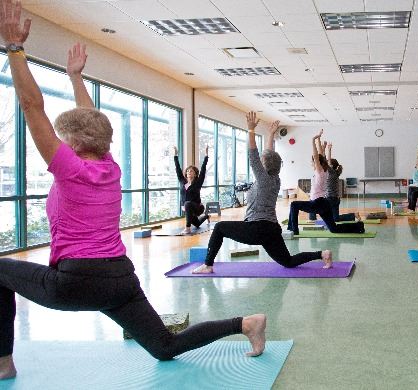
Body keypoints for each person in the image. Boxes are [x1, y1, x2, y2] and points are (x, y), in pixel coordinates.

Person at [0, 5, 265, 380]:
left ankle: (3, 364)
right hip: (119, 279)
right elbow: (94, 125)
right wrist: (76, 79)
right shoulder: (110, 169)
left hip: (74, 282)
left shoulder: (70, 169)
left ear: (73, 143)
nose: (58, 141)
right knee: (165, 347)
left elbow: (32, 106)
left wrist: (14, 47)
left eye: (63, 138)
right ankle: (246, 323)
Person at [192, 112, 333, 274]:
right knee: (288, 261)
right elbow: (270, 156)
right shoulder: (275, 178)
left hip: (257, 229)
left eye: (263, 160)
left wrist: (251, 130)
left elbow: (253, 155)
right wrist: (271, 134)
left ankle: (208, 265)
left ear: (264, 165)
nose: (261, 160)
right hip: (272, 229)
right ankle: (322, 254)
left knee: (219, 228)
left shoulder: (264, 178)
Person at [287, 130, 365, 236]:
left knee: (294, 204)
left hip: (317, 203)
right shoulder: (326, 170)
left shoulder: (319, 171)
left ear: (316, 162)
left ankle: (293, 231)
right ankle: (359, 227)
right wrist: (320, 143)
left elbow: (316, 156)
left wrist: (313, 139)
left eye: (313, 161)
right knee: (334, 228)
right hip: (324, 203)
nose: (311, 163)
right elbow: (321, 156)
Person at [173, 144, 210, 234]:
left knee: (188, 203)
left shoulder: (198, 182)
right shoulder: (182, 181)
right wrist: (175, 155)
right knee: (197, 224)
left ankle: (187, 228)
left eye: (191, 171)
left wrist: (206, 155)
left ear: (195, 174)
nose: (189, 172)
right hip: (187, 208)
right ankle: (206, 216)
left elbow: (203, 169)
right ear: (186, 174)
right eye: (188, 171)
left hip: (197, 207)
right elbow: (178, 169)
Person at [324, 142, 360, 222]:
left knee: (328, 215)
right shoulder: (336, 173)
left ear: (331, 166)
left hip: (330, 199)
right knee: (335, 219)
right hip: (335, 198)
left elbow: (327, 161)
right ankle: (354, 215)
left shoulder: (332, 172)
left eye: (328, 164)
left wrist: (328, 150)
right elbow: (327, 162)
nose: (326, 165)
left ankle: (314, 216)